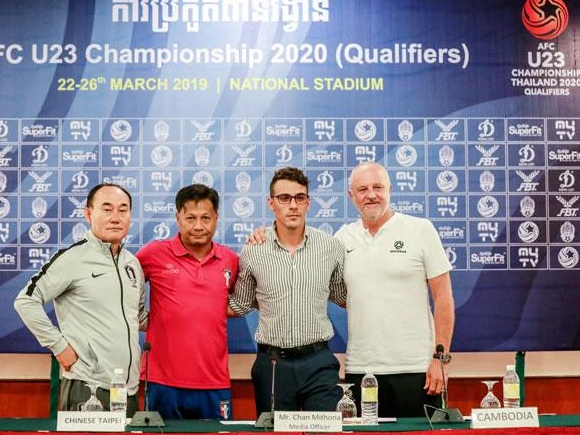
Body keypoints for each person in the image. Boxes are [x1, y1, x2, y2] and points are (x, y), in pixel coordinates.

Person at [14, 183, 145, 416]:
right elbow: (25, 301)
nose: (115, 217)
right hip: (87, 387)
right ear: (88, 214)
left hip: (128, 389)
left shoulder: (132, 264)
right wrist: (59, 346)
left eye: (123, 210)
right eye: (107, 209)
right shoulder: (72, 258)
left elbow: (138, 317)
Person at [336, 161, 455, 418]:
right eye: (362, 189)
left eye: (377, 187)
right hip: (361, 370)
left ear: (390, 190)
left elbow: (443, 298)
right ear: (351, 195)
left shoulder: (420, 229)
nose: (371, 195)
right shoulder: (342, 238)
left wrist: (440, 360)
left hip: (417, 370)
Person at [228, 167, 346, 414]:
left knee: (327, 430)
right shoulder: (254, 250)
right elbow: (240, 304)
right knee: (274, 431)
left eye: (299, 198)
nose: (293, 205)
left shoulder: (331, 247)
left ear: (308, 203)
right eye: (284, 198)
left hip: (319, 361)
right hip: (273, 364)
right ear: (271, 203)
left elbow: (342, 296)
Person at [136, 184, 238, 419]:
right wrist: (144, 321)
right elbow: (122, 287)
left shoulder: (230, 259)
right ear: (178, 218)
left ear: (216, 218)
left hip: (214, 381)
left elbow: (244, 300)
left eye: (205, 218)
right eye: (190, 218)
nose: (198, 226)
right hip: (162, 381)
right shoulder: (153, 254)